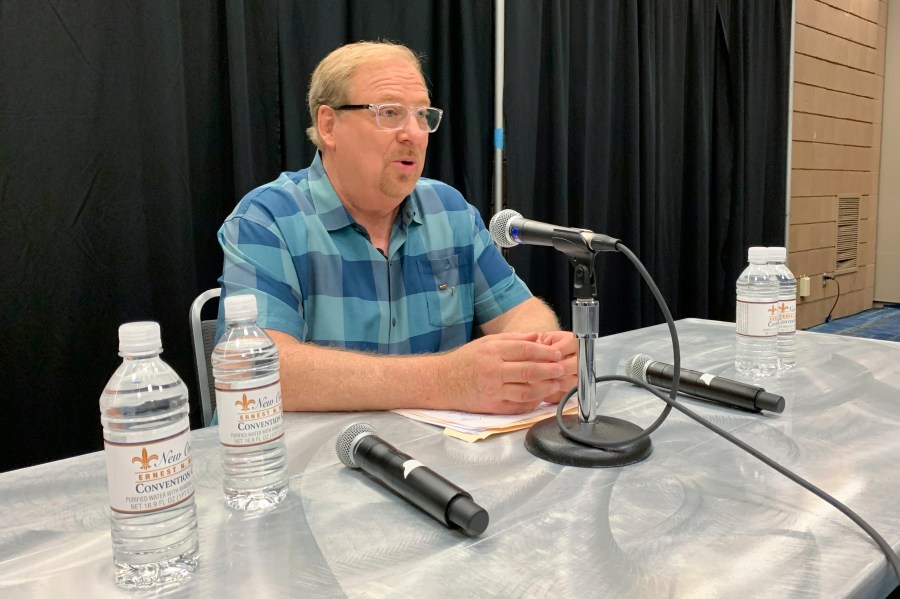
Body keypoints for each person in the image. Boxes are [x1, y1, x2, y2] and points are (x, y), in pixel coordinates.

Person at [218, 40, 577, 414]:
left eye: (422, 114)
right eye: (389, 112)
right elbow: (259, 368)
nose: (414, 134)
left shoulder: (449, 210)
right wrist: (448, 380)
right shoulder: (267, 218)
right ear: (329, 126)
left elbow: (520, 311)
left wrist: (543, 356)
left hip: (428, 457)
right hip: (302, 462)